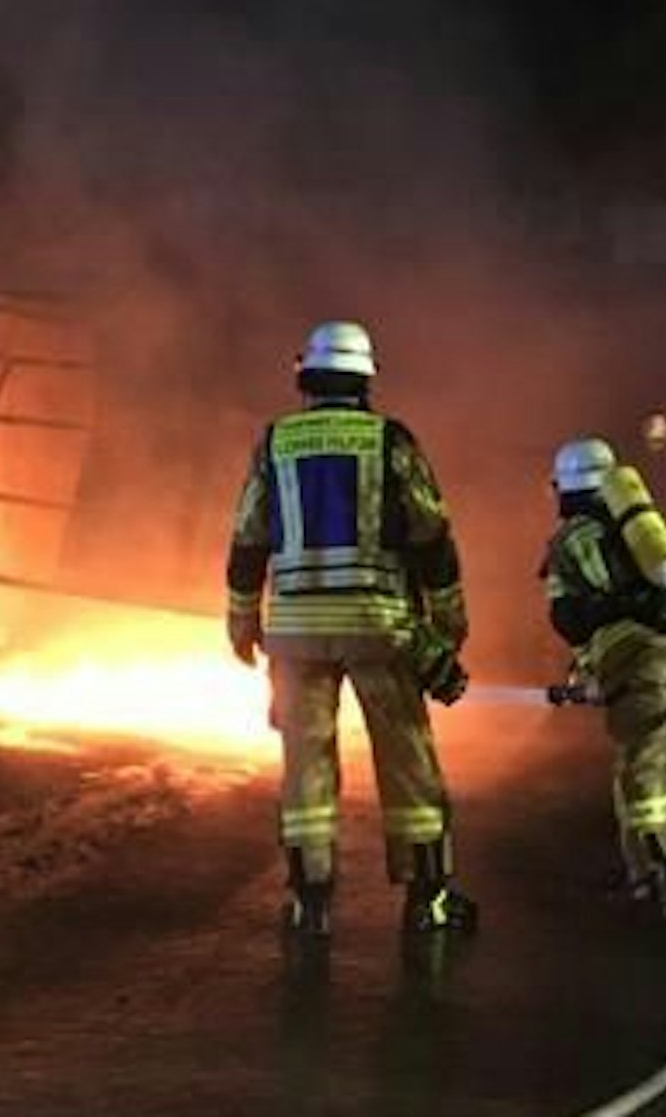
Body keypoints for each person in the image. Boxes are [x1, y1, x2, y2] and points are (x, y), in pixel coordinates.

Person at [227, 320, 477, 939]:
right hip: (378, 628)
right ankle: (428, 903)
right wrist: (446, 623)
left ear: (305, 377)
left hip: (294, 634)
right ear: (366, 379)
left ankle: (309, 904)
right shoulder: (390, 442)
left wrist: (240, 619)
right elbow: (431, 536)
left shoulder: (275, 442)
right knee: (407, 763)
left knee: (305, 769)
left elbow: (248, 539)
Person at [540, 436, 666, 920]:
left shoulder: (569, 540)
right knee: (661, 767)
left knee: (638, 771)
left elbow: (567, 617)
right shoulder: (645, 527)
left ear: (566, 488)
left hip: (639, 659)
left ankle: (646, 880)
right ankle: (654, 864)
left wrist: (597, 659)